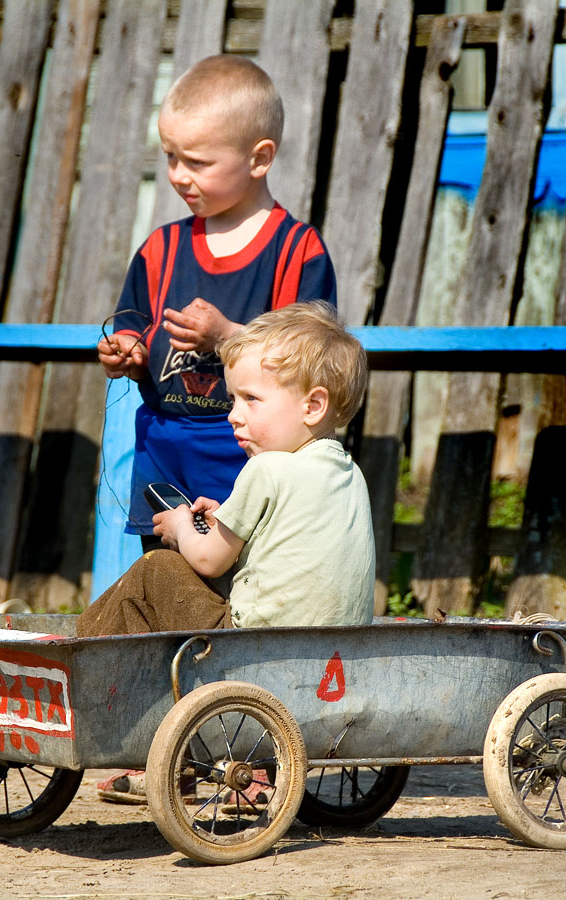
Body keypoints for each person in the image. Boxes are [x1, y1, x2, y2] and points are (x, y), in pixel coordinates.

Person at [80, 303, 374, 801]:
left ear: (312, 405)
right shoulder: (345, 472)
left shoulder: (266, 471)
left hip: (253, 645)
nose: (234, 415)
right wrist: (225, 521)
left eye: (251, 399)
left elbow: (210, 560)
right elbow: (285, 551)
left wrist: (178, 525)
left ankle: (79, 659)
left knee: (158, 570)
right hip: (329, 652)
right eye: (233, 398)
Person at [99, 54, 337, 550]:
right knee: (165, 578)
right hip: (166, 448)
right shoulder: (159, 250)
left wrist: (229, 336)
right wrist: (126, 352)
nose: (179, 175)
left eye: (198, 162)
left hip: (250, 455)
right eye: (170, 157)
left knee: (245, 583)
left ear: (259, 158)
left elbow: (314, 360)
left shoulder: (296, 251)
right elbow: (133, 326)